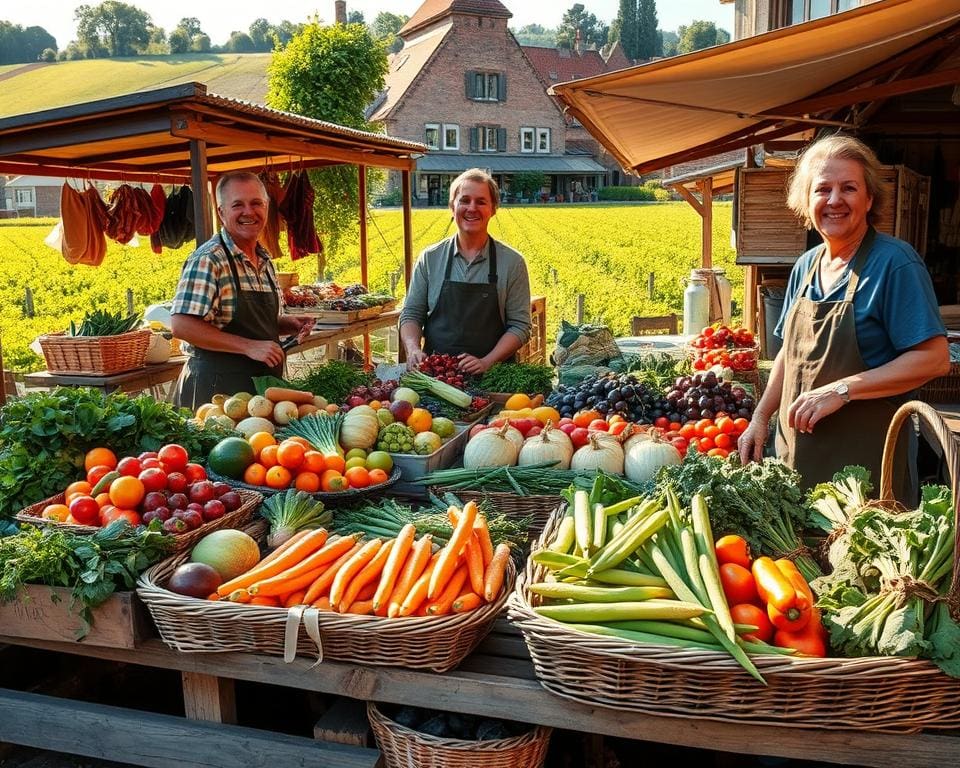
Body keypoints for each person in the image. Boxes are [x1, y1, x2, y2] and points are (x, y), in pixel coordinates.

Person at [737, 135, 949, 496]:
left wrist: (842, 390)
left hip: (866, 470)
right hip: (796, 461)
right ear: (806, 200)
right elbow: (789, 354)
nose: (834, 200)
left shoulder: (895, 263)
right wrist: (761, 416)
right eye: (822, 189)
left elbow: (935, 359)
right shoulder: (805, 266)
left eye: (848, 188)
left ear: (869, 199)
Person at [170, 171, 314, 410]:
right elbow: (182, 324)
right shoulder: (210, 259)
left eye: (256, 203)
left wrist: (285, 324)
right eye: (238, 205)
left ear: (266, 208)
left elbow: (241, 321)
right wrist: (248, 346)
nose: (249, 211)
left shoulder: (263, 259)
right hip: (215, 393)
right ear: (221, 212)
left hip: (259, 393)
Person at [400, 168, 532, 375]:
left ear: (493, 208)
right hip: (437, 377)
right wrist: (413, 349)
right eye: (464, 200)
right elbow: (411, 314)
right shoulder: (430, 258)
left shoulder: (512, 262)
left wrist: (487, 362)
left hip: (494, 377)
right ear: (452, 207)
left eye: (481, 202)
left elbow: (520, 326)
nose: (472, 208)